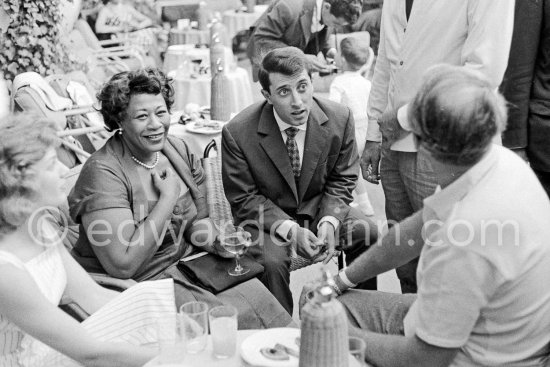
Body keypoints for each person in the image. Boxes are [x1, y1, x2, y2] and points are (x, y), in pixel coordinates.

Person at [304, 65, 550, 367]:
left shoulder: (464, 238)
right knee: (329, 303)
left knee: (316, 323)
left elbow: (424, 358)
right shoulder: (502, 162)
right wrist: (340, 280)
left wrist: (332, 331)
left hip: (475, 358)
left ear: (426, 148)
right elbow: (411, 234)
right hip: (495, 336)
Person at [68, 68, 293, 329]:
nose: (155, 124)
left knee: (263, 304)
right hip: (140, 286)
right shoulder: (103, 172)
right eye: (142, 116)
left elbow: (198, 221)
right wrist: (168, 198)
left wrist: (215, 242)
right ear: (119, 120)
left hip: (189, 267)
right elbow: (123, 265)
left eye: (161, 112)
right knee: (231, 325)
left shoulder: (177, 149)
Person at [360, 0, 515, 293]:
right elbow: (387, 58)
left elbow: (482, 73)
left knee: (443, 262)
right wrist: (373, 132)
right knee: (405, 262)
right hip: (394, 140)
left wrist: (404, 117)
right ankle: (411, 332)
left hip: (445, 145)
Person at [0, 113, 178, 367]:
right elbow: (91, 353)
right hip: (28, 362)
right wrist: (179, 357)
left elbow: (93, 296)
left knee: (150, 299)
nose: (65, 170)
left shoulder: (38, 226)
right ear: (19, 181)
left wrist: (165, 320)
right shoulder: (5, 271)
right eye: (52, 164)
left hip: (57, 345)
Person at [222, 47, 378, 314]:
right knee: (270, 263)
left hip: (319, 207)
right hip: (268, 220)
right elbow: (243, 198)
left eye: (303, 87)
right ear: (266, 95)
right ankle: (279, 333)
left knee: (369, 232)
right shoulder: (237, 132)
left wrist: (330, 221)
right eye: (284, 91)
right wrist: (291, 231)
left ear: (312, 82)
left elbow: (343, 178)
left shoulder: (340, 118)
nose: (298, 101)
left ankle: (359, 315)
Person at [246, 0, 363, 81]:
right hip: (267, 58)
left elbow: (322, 31)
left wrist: (330, 52)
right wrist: (301, 57)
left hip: (292, 61)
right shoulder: (289, 7)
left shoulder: (330, 10)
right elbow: (261, 39)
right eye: (336, 23)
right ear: (327, 7)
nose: (336, 28)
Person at [329, 36, 374, 217]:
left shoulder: (339, 83)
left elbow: (333, 108)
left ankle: (364, 204)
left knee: (349, 167)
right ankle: (362, 202)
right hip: (367, 131)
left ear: (344, 59)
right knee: (356, 165)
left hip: (352, 132)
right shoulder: (366, 82)